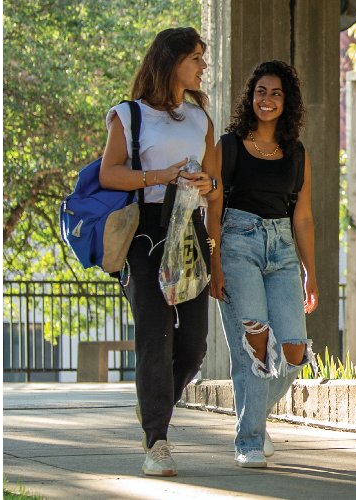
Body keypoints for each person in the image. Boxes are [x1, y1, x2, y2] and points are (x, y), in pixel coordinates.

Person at [97, 26, 220, 477]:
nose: (202, 66)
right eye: (195, 57)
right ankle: (158, 441)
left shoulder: (201, 119)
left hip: (189, 228)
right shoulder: (128, 115)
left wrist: (207, 184)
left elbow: (214, 181)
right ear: (170, 61)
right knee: (155, 337)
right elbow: (110, 175)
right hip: (147, 232)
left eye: (203, 58)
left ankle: (155, 403)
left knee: (193, 344)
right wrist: (161, 176)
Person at [209, 60, 317, 468]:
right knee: (254, 347)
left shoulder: (297, 153)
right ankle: (249, 440)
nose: (266, 100)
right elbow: (213, 208)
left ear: (286, 102)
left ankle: (252, 418)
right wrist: (214, 263)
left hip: (284, 250)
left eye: (275, 93)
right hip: (237, 243)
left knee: (293, 352)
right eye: (260, 92)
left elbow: (303, 217)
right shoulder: (230, 146)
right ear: (250, 97)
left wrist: (311, 272)